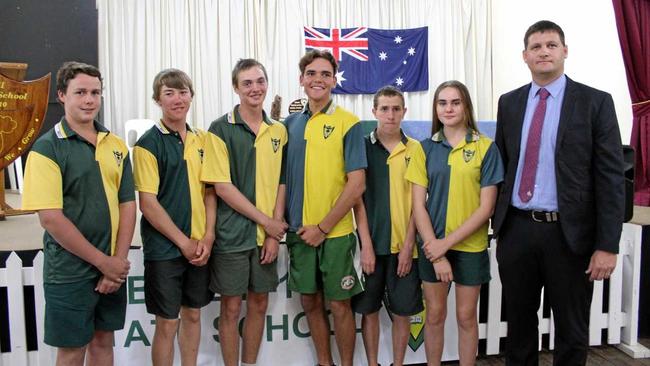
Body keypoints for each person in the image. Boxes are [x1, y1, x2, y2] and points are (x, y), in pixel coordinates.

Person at [493, 20, 625, 365]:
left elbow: (610, 178)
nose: (544, 52)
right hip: (517, 231)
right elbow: (501, 169)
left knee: (571, 331)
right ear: (525, 56)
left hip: (571, 236)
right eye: (536, 47)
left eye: (551, 45)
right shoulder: (509, 103)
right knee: (519, 328)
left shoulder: (595, 102)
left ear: (565, 51)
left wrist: (607, 245)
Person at [21, 61, 136, 366]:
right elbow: (50, 218)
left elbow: (128, 205)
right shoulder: (46, 149)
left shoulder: (116, 146)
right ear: (62, 95)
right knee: (72, 352)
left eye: (95, 92)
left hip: (112, 266)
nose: (89, 100)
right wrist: (104, 263)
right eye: (80, 92)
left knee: (103, 344)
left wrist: (118, 262)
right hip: (70, 271)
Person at [406, 80, 503, 366]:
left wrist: (444, 246)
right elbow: (417, 205)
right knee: (434, 315)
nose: (449, 108)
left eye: (455, 102)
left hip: (469, 247)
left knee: (465, 317)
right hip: (432, 246)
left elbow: (486, 208)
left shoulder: (485, 147)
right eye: (442, 103)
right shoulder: (424, 148)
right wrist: (435, 251)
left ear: (466, 106)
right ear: (435, 108)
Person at [200, 58, 288, 366]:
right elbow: (222, 187)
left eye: (260, 81)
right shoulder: (219, 129)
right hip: (232, 235)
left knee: (260, 303)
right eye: (247, 83)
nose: (255, 88)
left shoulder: (279, 131)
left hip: (267, 237)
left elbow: (281, 182)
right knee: (231, 309)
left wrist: (274, 232)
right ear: (236, 88)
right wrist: (267, 222)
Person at [283, 49, 366, 366]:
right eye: (312, 73)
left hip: (336, 235)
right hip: (300, 234)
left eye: (325, 74)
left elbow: (356, 185)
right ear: (302, 79)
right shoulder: (288, 125)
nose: (318, 79)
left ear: (334, 80)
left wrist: (324, 227)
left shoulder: (349, 123)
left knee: (340, 305)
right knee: (310, 303)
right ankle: (324, 362)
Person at [132, 68, 215, 366]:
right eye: (169, 93)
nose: (177, 99)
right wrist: (183, 242)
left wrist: (207, 237)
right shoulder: (147, 145)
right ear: (158, 100)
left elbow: (210, 192)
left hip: (199, 247)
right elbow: (148, 204)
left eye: (182, 92)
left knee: (193, 315)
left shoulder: (203, 140)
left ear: (191, 96)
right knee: (168, 322)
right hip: (166, 250)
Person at [351, 86, 423, 366]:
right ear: (374, 112)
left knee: (402, 312)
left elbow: (419, 204)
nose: (390, 115)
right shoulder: (362, 148)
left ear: (404, 111)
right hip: (371, 245)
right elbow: (357, 199)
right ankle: (372, 363)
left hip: (405, 247)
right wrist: (366, 245)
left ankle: (398, 363)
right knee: (368, 310)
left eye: (396, 109)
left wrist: (408, 246)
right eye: (384, 109)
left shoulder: (416, 149)